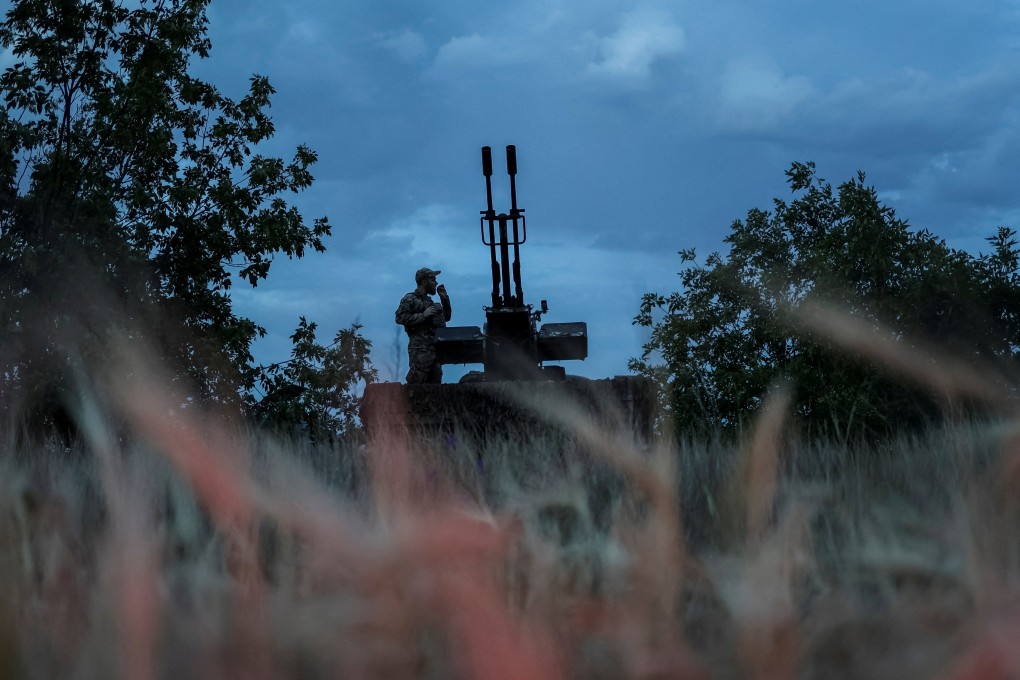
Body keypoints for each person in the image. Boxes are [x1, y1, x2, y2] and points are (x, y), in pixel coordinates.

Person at [395, 267, 452, 384]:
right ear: (424, 281)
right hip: (420, 349)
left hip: (434, 349)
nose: (436, 283)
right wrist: (423, 316)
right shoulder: (410, 299)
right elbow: (399, 318)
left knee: (435, 385)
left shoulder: (430, 302)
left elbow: (446, 318)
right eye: (433, 280)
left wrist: (444, 299)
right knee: (416, 382)